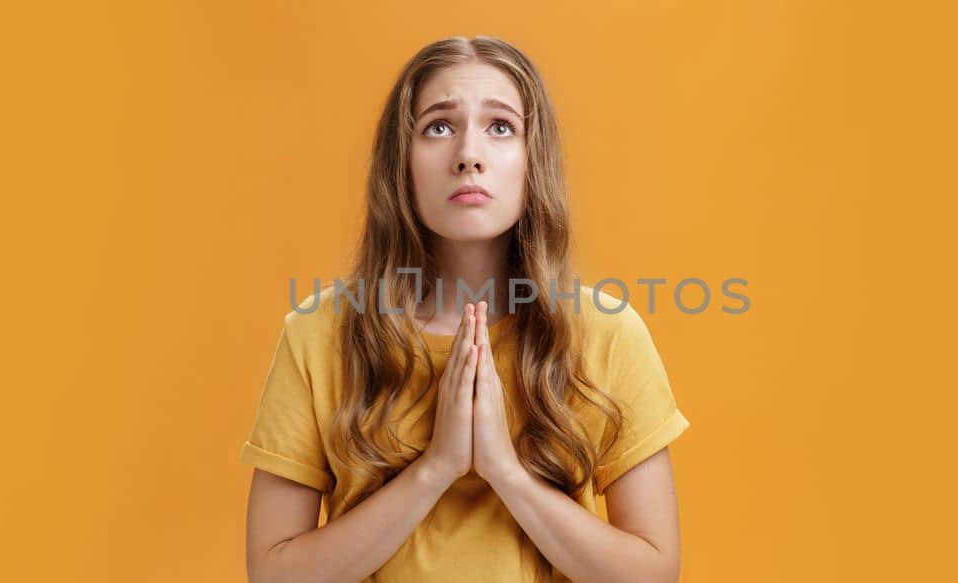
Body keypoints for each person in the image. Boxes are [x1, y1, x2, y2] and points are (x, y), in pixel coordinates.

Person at [240, 35, 690, 583]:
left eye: (501, 127)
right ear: (400, 162)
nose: (468, 156)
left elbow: (652, 574)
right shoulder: (318, 334)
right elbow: (274, 574)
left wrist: (504, 470)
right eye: (438, 127)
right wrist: (436, 468)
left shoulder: (608, 334)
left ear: (533, 159)